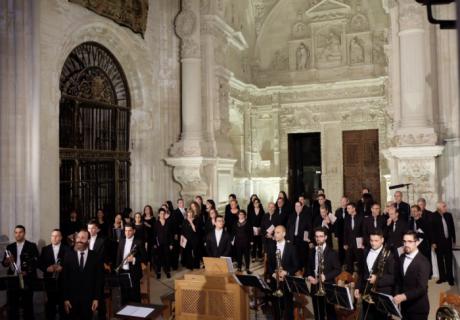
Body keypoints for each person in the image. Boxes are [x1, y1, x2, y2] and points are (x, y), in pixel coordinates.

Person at [62, 229, 103, 320]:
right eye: (78, 237)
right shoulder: (68, 255)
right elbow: (64, 278)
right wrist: (65, 299)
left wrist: (96, 298)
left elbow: (98, 279)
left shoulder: (96, 257)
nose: (79, 240)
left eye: (83, 238)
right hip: (71, 300)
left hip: (88, 300)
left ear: (88, 241)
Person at [355, 229, 395, 319]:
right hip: (366, 293)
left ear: (382, 240)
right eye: (371, 240)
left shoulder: (389, 255)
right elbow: (361, 271)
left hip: (381, 294)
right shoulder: (365, 251)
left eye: (376, 240)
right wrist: (357, 287)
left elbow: (393, 277)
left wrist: (377, 279)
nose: (373, 243)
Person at [2, 225, 39, 320]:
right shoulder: (10, 247)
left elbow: (36, 262)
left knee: (27, 306)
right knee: (12, 306)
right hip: (13, 279)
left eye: (20, 232)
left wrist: (27, 272)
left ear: (24, 233)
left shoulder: (32, 246)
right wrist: (7, 261)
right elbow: (4, 263)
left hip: (26, 280)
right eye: (16, 232)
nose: (18, 234)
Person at [393, 231, 431, 320]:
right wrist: (396, 294)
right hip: (405, 306)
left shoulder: (423, 262)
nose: (406, 244)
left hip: (418, 308)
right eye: (404, 241)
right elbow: (399, 280)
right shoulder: (402, 257)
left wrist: (403, 296)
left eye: (410, 241)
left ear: (417, 242)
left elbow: (422, 288)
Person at [306, 227, 341, 320]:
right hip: (315, 285)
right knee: (318, 312)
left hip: (328, 286)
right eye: (317, 236)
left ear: (325, 237)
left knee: (330, 313)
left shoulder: (332, 252)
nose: (318, 238)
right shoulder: (312, 250)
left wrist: (325, 276)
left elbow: (338, 269)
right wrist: (309, 276)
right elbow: (309, 266)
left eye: (321, 236)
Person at [267, 225, 299, 320]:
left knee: (288, 305)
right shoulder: (271, 246)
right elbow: (269, 264)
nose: (275, 235)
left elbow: (296, 265)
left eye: (278, 232)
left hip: (287, 282)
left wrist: (287, 272)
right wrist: (273, 274)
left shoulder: (291, 247)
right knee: (276, 306)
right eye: (275, 232)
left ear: (284, 234)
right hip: (275, 280)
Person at [39, 229, 69, 320]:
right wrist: (47, 268)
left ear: (61, 238)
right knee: (49, 307)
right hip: (49, 282)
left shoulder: (67, 249)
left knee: (62, 308)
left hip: (63, 283)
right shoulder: (45, 249)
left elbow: (72, 263)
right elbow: (40, 264)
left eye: (56, 236)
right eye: (52, 236)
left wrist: (63, 268)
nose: (54, 238)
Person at [116, 223, 147, 304]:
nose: (127, 233)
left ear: (134, 231)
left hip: (134, 273)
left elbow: (145, 258)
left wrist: (134, 259)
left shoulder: (139, 242)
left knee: (134, 295)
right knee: (124, 295)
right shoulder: (122, 240)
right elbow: (119, 256)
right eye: (126, 231)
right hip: (123, 271)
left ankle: (136, 314)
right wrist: (117, 269)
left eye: (129, 231)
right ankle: (125, 314)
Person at [432, 201, 456, 285]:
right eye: (444, 206)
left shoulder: (449, 215)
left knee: (449, 260)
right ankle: (442, 278)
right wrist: (433, 243)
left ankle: (450, 278)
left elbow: (452, 228)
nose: (446, 207)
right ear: (439, 208)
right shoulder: (433, 216)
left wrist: (454, 240)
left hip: (448, 242)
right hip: (438, 243)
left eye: (445, 206)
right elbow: (432, 231)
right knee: (440, 261)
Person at [287, 201, 313, 272]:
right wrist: (288, 238)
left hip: (302, 240)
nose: (297, 208)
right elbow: (288, 228)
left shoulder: (306, 216)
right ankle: (296, 270)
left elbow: (309, 228)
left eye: (298, 206)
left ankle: (303, 271)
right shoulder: (291, 216)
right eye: (296, 206)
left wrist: (308, 239)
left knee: (302, 256)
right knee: (294, 256)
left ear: (301, 207)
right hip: (293, 239)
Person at [343, 203, 364, 273]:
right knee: (349, 261)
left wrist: (363, 243)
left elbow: (363, 231)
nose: (347, 210)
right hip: (349, 243)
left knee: (360, 260)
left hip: (359, 243)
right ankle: (350, 277)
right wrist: (345, 243)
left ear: (354, 209)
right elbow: (345, 231)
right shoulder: (347, 218)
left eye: (349, 208)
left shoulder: (361, 217)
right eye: (347, 208)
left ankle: (361, 276)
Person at [153, 208, 173, 279]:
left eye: (163, 213)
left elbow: (170, 234)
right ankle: (158, 272)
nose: (162, 215)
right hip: (159, 244)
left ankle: (167, 271)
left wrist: (171, 244)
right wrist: (155, 244)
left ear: (165, 214)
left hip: (167, 243)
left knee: (167, 258)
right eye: (161, 213)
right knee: (159, 258)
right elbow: (154, 234)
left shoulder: (168, 223)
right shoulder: (156, 223)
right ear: (158, 214)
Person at [248, 197, 264, 262]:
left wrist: (260, 227)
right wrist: (252, 228)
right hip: (253, 229)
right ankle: (253, 257)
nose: (256, 204)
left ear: (259, 203)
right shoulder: (251, 211)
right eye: (255, 203)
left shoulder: (262, 211)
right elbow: (249, 220)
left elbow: (263, 220)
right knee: (253, 244)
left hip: (260, 229)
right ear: (253, 204)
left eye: (257, 202)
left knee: (259, 244)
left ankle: (260, 256)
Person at [334, 196, 349, 265]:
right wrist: (336, 235)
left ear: (347, 202)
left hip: (348, 233)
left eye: (344, 201)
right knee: (340, 248)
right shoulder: (337, 211)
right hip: (340, 233)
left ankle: (347, 262)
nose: (343, 203)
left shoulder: (349, 210)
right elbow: (335, 224)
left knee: (348, 249)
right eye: (341, 201)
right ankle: (341, 263)